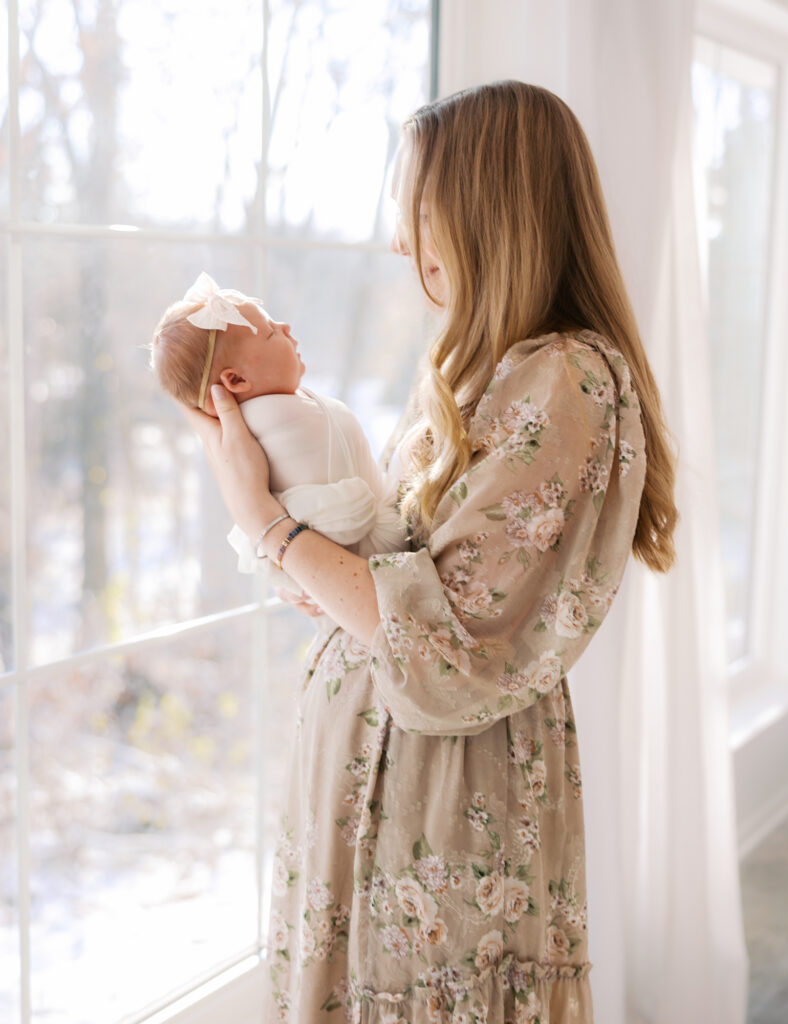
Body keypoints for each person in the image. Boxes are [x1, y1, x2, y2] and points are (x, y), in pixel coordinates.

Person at [178, 81, 678, 1023]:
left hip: (447, 788)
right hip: (382, 770)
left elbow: (448, 655)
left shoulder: (561, 379)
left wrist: (267, 521)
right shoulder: (476, 364)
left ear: (487, 211)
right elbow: (407, 571)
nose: (402, 242)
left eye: (418, 210)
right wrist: (318, 564)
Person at [150, 272, 407, 609]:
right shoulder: (273, 419)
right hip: (377, 552)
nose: (285, 327)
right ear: (237, 379)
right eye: (271, 333)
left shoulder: (254, 425)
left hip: (342, 571)